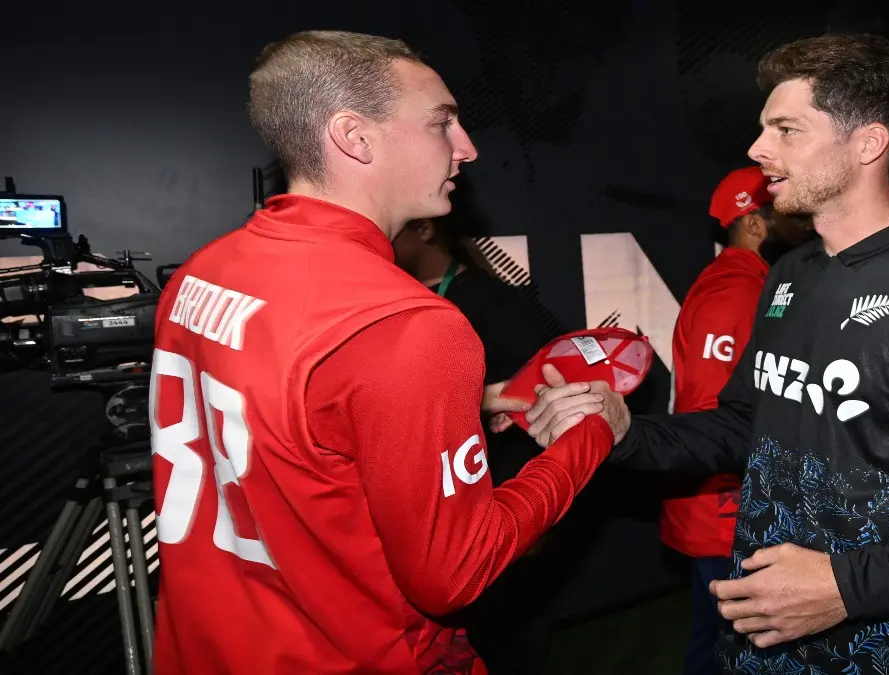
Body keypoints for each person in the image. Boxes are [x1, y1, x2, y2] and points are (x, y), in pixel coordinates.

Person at [522, 33, 889, 673]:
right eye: (762, 128)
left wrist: (847, 587)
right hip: (760, 633)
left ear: (868, 143)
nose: (757, 149)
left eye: (786, 129)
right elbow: (747, 425)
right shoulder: (790, 274)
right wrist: (626, 431)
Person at [149, 30, 621, 675]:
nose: (467, 148)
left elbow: (292, 427)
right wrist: (589, 436)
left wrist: (463, 404)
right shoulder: (406, 323)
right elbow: (457, 573)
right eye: (442, 123)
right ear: (355, 137)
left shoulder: (202, 271)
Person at [392, 209, 562, 675]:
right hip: (426, 512)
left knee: (505, 639)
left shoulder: (495, 301)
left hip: (492, 507)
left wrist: (531, 520)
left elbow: (533, 408)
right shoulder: (390, 298)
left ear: (425, 229)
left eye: (395, 228)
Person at [661, 166, 811, 675]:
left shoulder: (747, 282)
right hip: (726, 509)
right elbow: (712, 412)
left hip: (727, 505)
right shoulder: (736, 291)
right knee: (734, 649)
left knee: (728, 643)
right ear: (753, 223)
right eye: (786, 214)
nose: (801, 224)